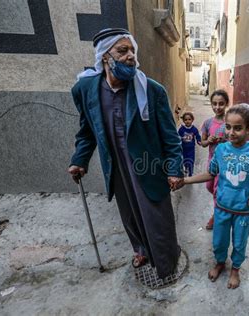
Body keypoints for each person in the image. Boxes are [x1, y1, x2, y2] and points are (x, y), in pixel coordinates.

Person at [67, 28, 184, 279]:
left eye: (133, 50)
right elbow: (87, 130)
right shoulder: (86, 89)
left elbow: (170, 135)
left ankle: (166, 262)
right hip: (116, 165)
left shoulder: (152, 90)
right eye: (123, 51)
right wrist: (80, 160)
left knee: (156, 215)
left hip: (147, 164)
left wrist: (175, 168)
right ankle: (141, 250)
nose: (131, 56)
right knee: (129, 213)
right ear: (104, 57)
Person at [182, 103, 249, 289]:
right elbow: (211, 174)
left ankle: (235, 269)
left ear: (248, 130)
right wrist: (186, 180)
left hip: (243, 210)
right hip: (222, 207)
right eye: (228, 127)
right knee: (219, 241)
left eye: (238, 128)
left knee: (239, 242)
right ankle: (220, 263)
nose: (231, 132)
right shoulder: (221, 150)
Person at [200, 89, 229, 230]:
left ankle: (216, 215)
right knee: (209, 186)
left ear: (226, 104)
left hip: (225, 163)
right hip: (212, 161)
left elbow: (236, 141)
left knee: (217, 190)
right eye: (214, 104)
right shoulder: (207, 123)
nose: (217, 107)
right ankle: (221, 204)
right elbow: (202, 143)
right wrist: (209, 140)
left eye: (221, 104)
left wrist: (225, 139)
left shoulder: (229, 123)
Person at [178, 112, 201, 176]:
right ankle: (186, 168)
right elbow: (178, 136)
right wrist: (178, 141)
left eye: (189, 119)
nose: (187, 121)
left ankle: (190, 173)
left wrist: (199, 141)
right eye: (185, 120)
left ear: (192, 120)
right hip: (184, 148)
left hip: (191, 148)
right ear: (183, 121)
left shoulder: (194, 129)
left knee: (191, 160)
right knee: (185, 160)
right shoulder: (181, 129)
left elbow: (197, 136)